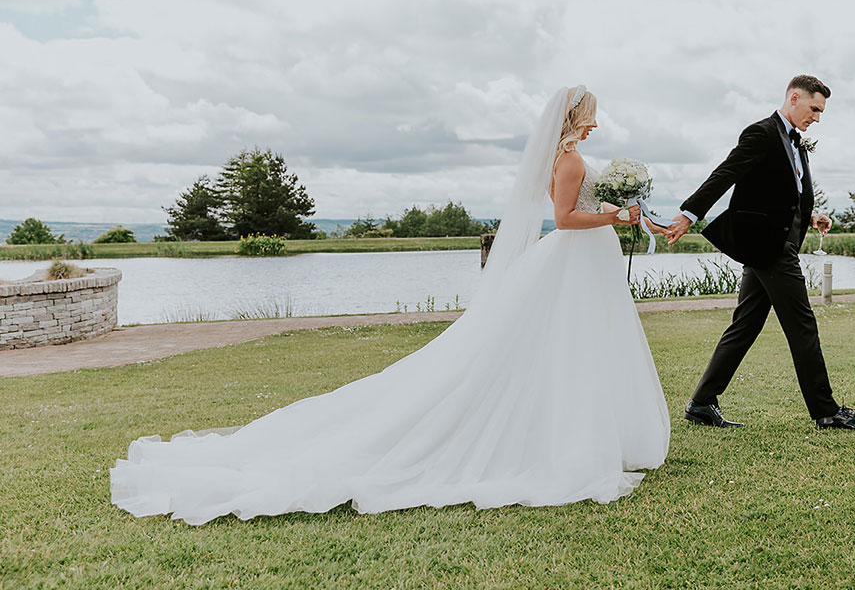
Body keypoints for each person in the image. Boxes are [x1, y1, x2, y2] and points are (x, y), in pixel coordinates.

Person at [111, 85, 670, 525]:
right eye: (591, 115)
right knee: (570, 349)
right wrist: (618, 215)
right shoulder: (570, 161)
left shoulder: (565, 157)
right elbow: (568, 219)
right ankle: (568, 443)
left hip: (581, 268)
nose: (596, 123)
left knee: (576, 351)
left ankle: (585, 433)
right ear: (574, 118)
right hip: (574, 262)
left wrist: (627, 211)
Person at [665, 75, 855, 431]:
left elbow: (780, 193)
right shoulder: (762, 133)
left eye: (821, 112)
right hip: (771, 248)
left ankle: (701, 403)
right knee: (802, 325)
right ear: (794, 98)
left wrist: (810, 216)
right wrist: (689, 214)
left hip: (772, 244)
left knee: (745, 326)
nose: (817, 117)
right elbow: (726, 173)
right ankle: (827, 411)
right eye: (814, 108)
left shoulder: (794, 141)